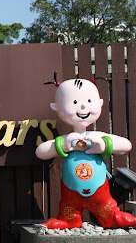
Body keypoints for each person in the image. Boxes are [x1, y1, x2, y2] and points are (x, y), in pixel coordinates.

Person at [35, 77, 136, 229]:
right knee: (69, 209)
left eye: (89, 101)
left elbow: (126, 145)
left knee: (107, 210)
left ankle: (112, 218)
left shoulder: (97, 136)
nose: (83, 106)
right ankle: (69, 220)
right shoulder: (66, 139)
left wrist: (104, 145)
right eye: (74, 102)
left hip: (100, 192)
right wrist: (64, 144)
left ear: (100, 103)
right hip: (71, 194)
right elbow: (40, 152)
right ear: (56, 107)